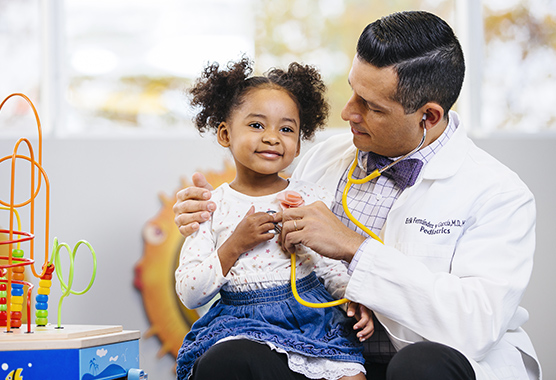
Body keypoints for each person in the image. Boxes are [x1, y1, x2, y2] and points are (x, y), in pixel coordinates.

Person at [174, 11, 541, 380]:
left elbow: (474, 327)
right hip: (324, 349)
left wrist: (354, 247)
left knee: (420, 367)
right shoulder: (324, 159)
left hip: (428, 363)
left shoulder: (499, 193)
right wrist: (203, 215)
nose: (348, 111)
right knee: (231, 361)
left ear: (428, 116)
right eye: (353, 90)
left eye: (372, 106)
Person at [174, 57, 372, 380]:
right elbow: (189, 291)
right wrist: (234, 245)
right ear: (225, 134)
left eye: (286, 129)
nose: (272, 137)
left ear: (298, 144)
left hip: (310, 323)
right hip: (242, 324)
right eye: (256, 125)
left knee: (352, 375)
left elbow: (329, 265)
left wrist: (353, 299)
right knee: (230, 362)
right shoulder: (211, 207)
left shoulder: (310, 197)